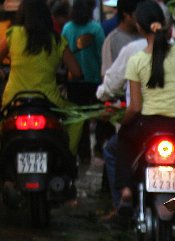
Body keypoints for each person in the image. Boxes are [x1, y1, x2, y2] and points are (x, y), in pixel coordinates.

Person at [113, 0, 175, 213]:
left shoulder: (136, 60)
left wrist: (123, 123)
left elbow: (135, 106)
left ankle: (126, 190)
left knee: (123, 140)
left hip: (147, 126)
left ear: (139, 27)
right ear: (164, 23)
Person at [0, 0, 82, 152]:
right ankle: (67, 156)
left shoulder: (14, 34)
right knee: (77, 119)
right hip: (49, 102)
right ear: (46, 15)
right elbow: (77, 72)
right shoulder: (56, 40)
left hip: (13, 102)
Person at [62, 0, 104, 158]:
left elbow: (63, 54)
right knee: (98, 115)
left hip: (74, 82)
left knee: (78, 119)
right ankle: (98, 147)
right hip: (94, 80)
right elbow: (102, 54)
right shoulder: (95, 28)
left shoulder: (67, 28)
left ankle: (82, 151)